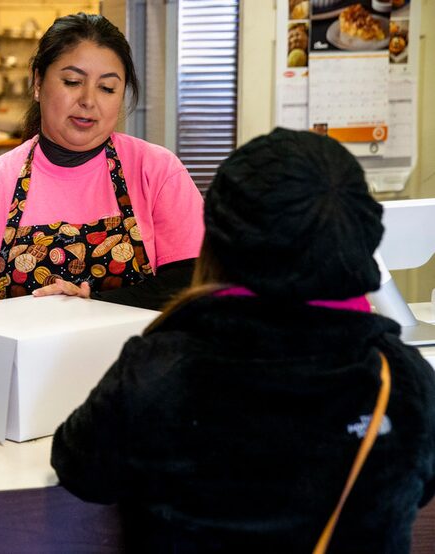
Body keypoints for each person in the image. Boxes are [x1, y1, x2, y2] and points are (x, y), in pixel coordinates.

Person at [50, 128, 435, 552]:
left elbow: (79, 468)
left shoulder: (158, 371)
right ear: (359, 237)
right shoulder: (402, 380)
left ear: (218, 236)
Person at [0, 12, 204, 362]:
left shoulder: (156, 170)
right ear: (38, 82)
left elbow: (189, 284)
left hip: (143, 374)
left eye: (107, 87)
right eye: (73, 82)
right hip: (24, 380)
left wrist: (91, 307)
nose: (89, 100)